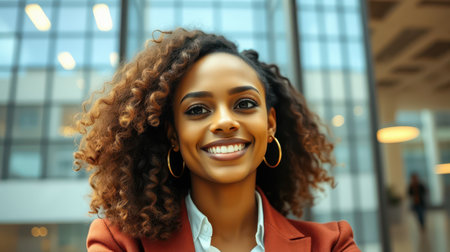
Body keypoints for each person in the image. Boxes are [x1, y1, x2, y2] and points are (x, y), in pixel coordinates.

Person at [75, 28, 360, 251]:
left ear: (270, 123)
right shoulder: (118, 243)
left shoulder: (332, 244)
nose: (225, 122)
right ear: (173, 134)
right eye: (197, 109)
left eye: (245, 104)